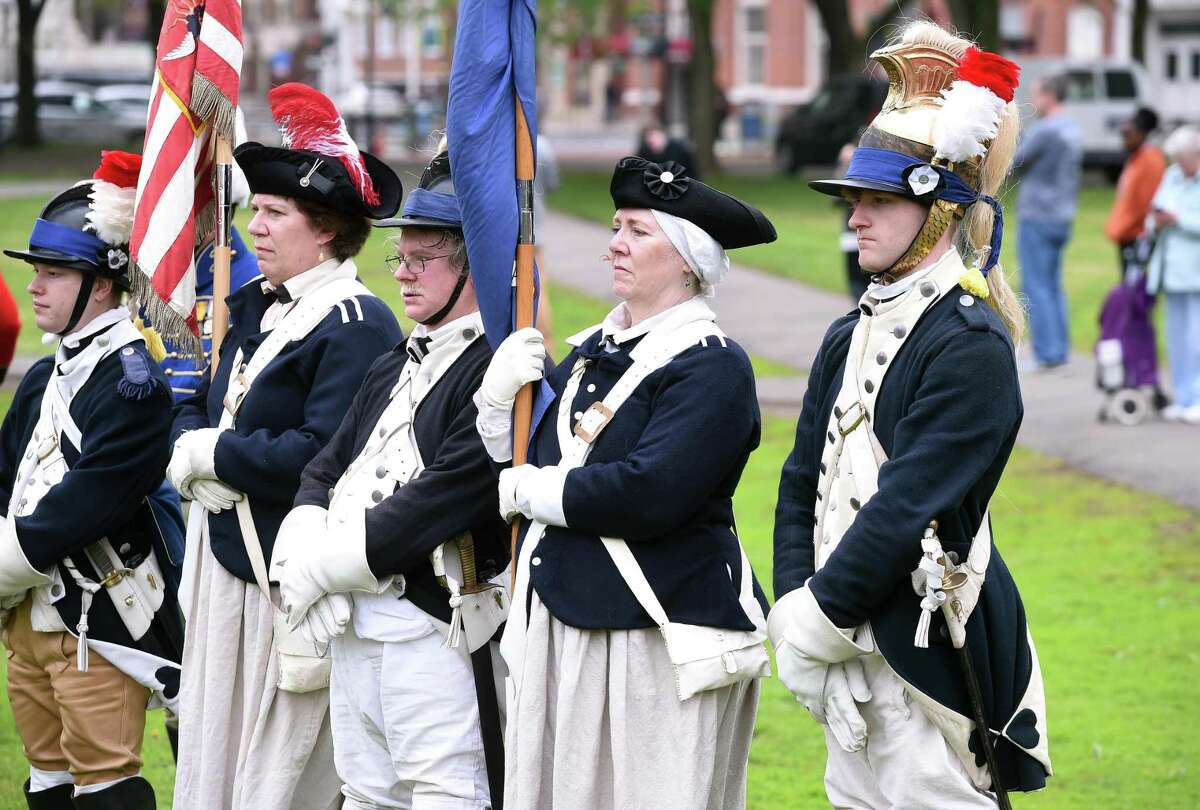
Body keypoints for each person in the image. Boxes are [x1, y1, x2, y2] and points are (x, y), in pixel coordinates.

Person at [772, 22, 1052, 808]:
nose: (853, 216)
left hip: (927, 655)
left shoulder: (969, 346)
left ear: (934, 211)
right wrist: (796, 606)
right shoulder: (849, 328)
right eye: (854, 198)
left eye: (876, 200)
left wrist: (814, 625)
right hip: (839, 643)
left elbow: (905, 507)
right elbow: (803, 482)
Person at [476, 156, 776, 809]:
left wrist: (532, 492)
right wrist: (496, 408)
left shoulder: (712, 366)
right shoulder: (590, 351)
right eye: (617, 226)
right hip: (565, 623)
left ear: (689, 260)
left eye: (638, 231)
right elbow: (529, 456)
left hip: (655, 634)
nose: (614, 243)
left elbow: (649, 493)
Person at [166, 82, 403, 810]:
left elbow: (319, 455)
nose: (255, 229)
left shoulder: (357, 322)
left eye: (274, 214)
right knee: (217, 753)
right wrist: (187, 451)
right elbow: (204, 409)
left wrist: (217, 458)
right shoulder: (252, 308)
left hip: (284, 578)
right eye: (255, 211)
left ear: (326, 227)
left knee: (278, 776)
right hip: (224, 567)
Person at [272, 144, 508, 809]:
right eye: (398, 258)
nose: (402, 275)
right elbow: (327, 463)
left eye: (422, 260)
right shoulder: (396, 361)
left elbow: (448, 493)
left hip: (431, 623)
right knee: (368, 793)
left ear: (473, 267)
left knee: (443, 792)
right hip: (353, 622)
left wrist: (327, 567)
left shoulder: (497, 370)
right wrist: (302, 535)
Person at [0, 151, 183, 809]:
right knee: (46, 782)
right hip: (27, 614)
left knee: (103, 783)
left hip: (94, 619)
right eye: (37, 272)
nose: (35, 286)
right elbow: (8, 473)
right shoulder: (49, 377)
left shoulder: (133, 383)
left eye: (54, 273)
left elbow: (88, 503)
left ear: (102, 286)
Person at [1012, 73, 1082, 369]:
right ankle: (1060, 349)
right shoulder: (1072, 129)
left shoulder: (1046, 130)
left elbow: (1016, 162)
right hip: (1063, 214)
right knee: (1053, 284)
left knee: (1036, 284)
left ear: (1050, 95)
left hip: (1038, 214)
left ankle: (1046, 354)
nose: (1033, 100)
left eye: (1037, 93)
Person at [1146, 125, 1200, 424]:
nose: (1179, 163)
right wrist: (1158, 222)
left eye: (1184, 157)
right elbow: (1151, 218)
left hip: (1195, 273)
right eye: (1176, 157)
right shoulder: (1172, 177)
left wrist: (1177, 220)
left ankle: (1197, 397)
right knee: (1176, 339)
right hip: (1170, 272)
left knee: (1196, 340)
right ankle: (1183, 397)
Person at [1106, 107, 1167, 281]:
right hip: (1129, 236)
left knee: (1134, 294)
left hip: (1139, 238)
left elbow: (1147, 204)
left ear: (1141, 134)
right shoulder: (1137, 157)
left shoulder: (1149, 160)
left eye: (1127, 135)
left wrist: (1125, 228)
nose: (1123, 141)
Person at [636, 124, 701, 180]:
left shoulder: (680, 150)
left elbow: (693, 172)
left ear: (663, 135)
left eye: (654, 136)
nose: (651, 140)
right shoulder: (644, 153)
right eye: (648, 138)